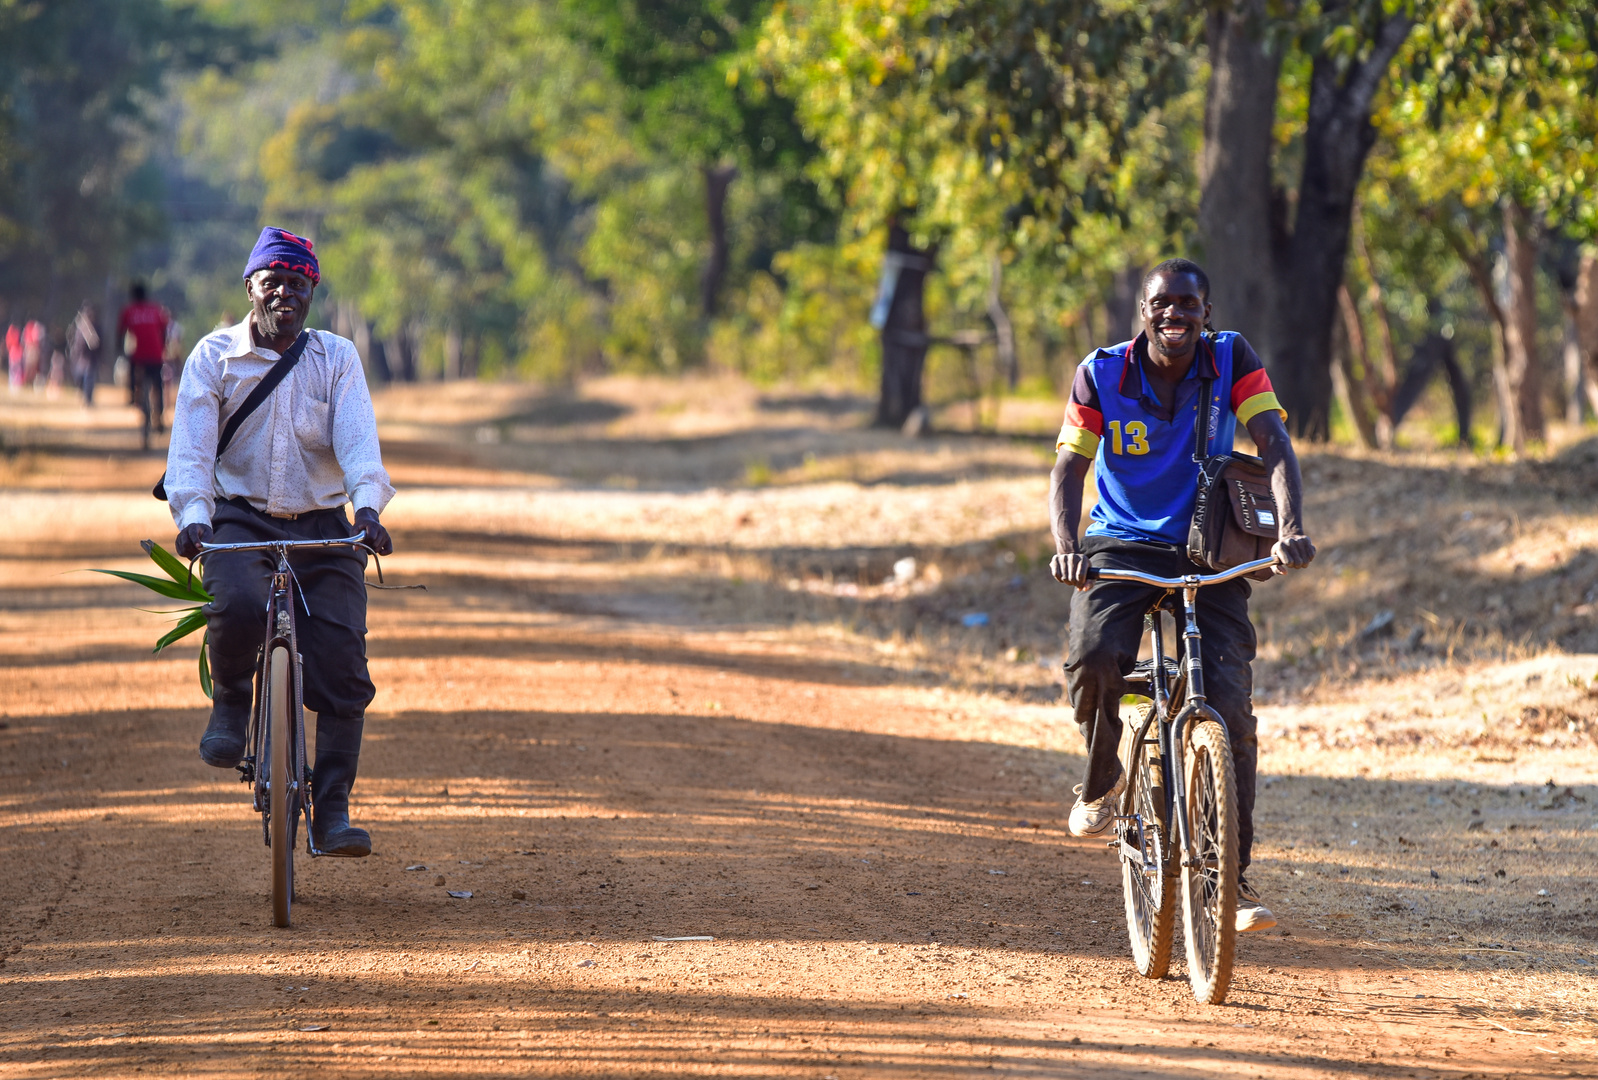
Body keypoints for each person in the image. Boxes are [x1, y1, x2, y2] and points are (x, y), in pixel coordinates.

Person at [1048, 258, 1315, 933]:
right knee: (1093, 658)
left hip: (1206, 545)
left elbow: (1274, 442)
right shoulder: (1101, 372)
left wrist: (1291, 530)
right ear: (1143, 310)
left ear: (1207, 311)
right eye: (1163, 303)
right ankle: (1106, 768)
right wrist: (1068, 546)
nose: (1176, 315)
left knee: (1230, 708)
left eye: (1189, 304)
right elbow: (1069, 467)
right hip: (1119, 542)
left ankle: (1231, 878)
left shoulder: (1232, 359)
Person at [165, 226, 395, 857]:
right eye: (274, 283)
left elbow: (358, 444)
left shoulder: (336, 358)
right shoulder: (213, 359)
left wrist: (368, 510)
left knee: (346, 668)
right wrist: (192, 516)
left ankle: (334, 809)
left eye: (299, 284)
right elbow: (190, 451)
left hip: (325, 527)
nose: (286, 295)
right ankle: (234, 701)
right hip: (241, 520)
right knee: (236, 606)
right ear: (250, 288)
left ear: (312, 291)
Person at [117, 283, 171, 448]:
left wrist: (120, 352)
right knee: (158, 386)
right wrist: (162, 347)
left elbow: (120, 333)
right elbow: (164, 330)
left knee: (133, 376)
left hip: (138, 357)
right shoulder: (155, 309)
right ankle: (159, 415)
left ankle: (133, 396)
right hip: (155, 355)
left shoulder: (128, 311)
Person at [68, 302, 101, 405]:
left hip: (91, 359)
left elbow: (98, 343)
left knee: (89, 379)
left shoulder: (96, 328)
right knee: (80, 379)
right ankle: (83, 396)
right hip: (80, 358)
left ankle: (88, 400)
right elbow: (73, 341)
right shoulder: (79, 328)